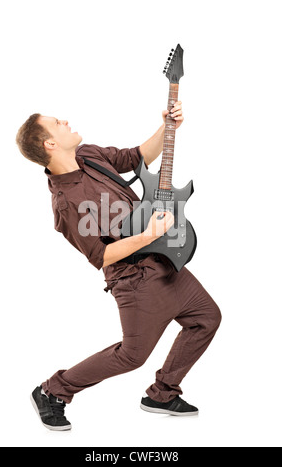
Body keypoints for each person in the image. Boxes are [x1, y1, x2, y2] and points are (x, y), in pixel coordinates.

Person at [16, 103, 221, 431]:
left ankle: (162, 394)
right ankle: (52, 391)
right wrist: (149, 234)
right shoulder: (66, 202)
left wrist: (168, 128)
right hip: (134, 277)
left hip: (163, 258)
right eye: (57, 123)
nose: (65, 120)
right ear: (49, 144)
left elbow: (136, 156)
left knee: (206, 318)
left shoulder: (88, 154)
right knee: (132, 355)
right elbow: (102, 255)